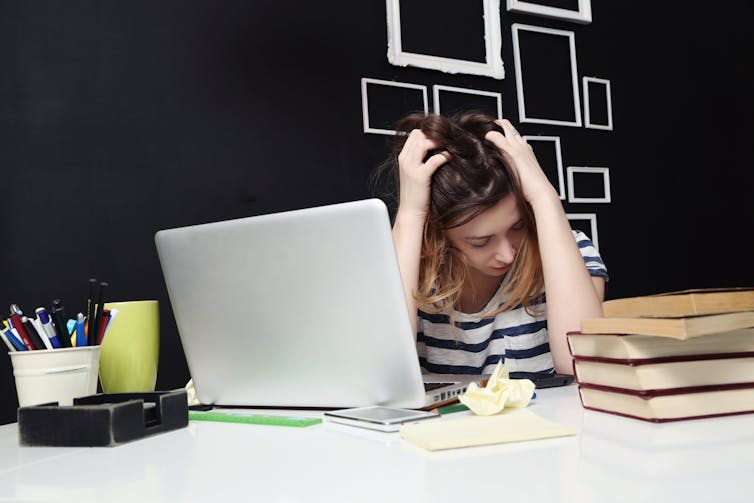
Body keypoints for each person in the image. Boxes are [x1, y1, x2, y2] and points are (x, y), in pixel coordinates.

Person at [382, 112, 608, 377]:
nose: (507, 254)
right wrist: (411, 215)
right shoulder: (408, 264)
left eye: (517, 226)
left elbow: (583, 368)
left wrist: (544, 195)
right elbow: (384, 377)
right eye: (481, 242)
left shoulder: (574, 251)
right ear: (439, 236)